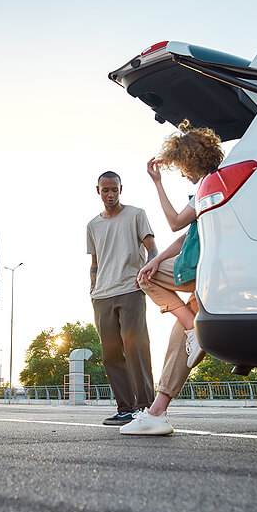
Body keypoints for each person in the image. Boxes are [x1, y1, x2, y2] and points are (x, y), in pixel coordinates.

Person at [121, 121, 225, 435]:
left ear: (190, 160)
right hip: (201, 265)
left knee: (143, 278)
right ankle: (156, 413)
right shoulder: (210, 186)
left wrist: (156, 183)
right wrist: (159, 259)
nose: (180, 172)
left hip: (203, 269)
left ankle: (192, 327)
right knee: (181, 339)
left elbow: (176, 223)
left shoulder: (210, 184)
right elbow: (189, 235)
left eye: (180, 166)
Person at [87, 171, 157, 426]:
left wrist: (149, 272)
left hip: (131, 290)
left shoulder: (136, 214)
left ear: (121, 189)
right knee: (111, 354)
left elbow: (152, 249)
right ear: (98, 191)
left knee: (135, 348)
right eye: (105, 190)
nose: (110, 194)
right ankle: (125, 408)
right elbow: (94, 262)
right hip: (102, 295)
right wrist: (92, 288)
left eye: (114, 189)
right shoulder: (93, 225)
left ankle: (147, 408)